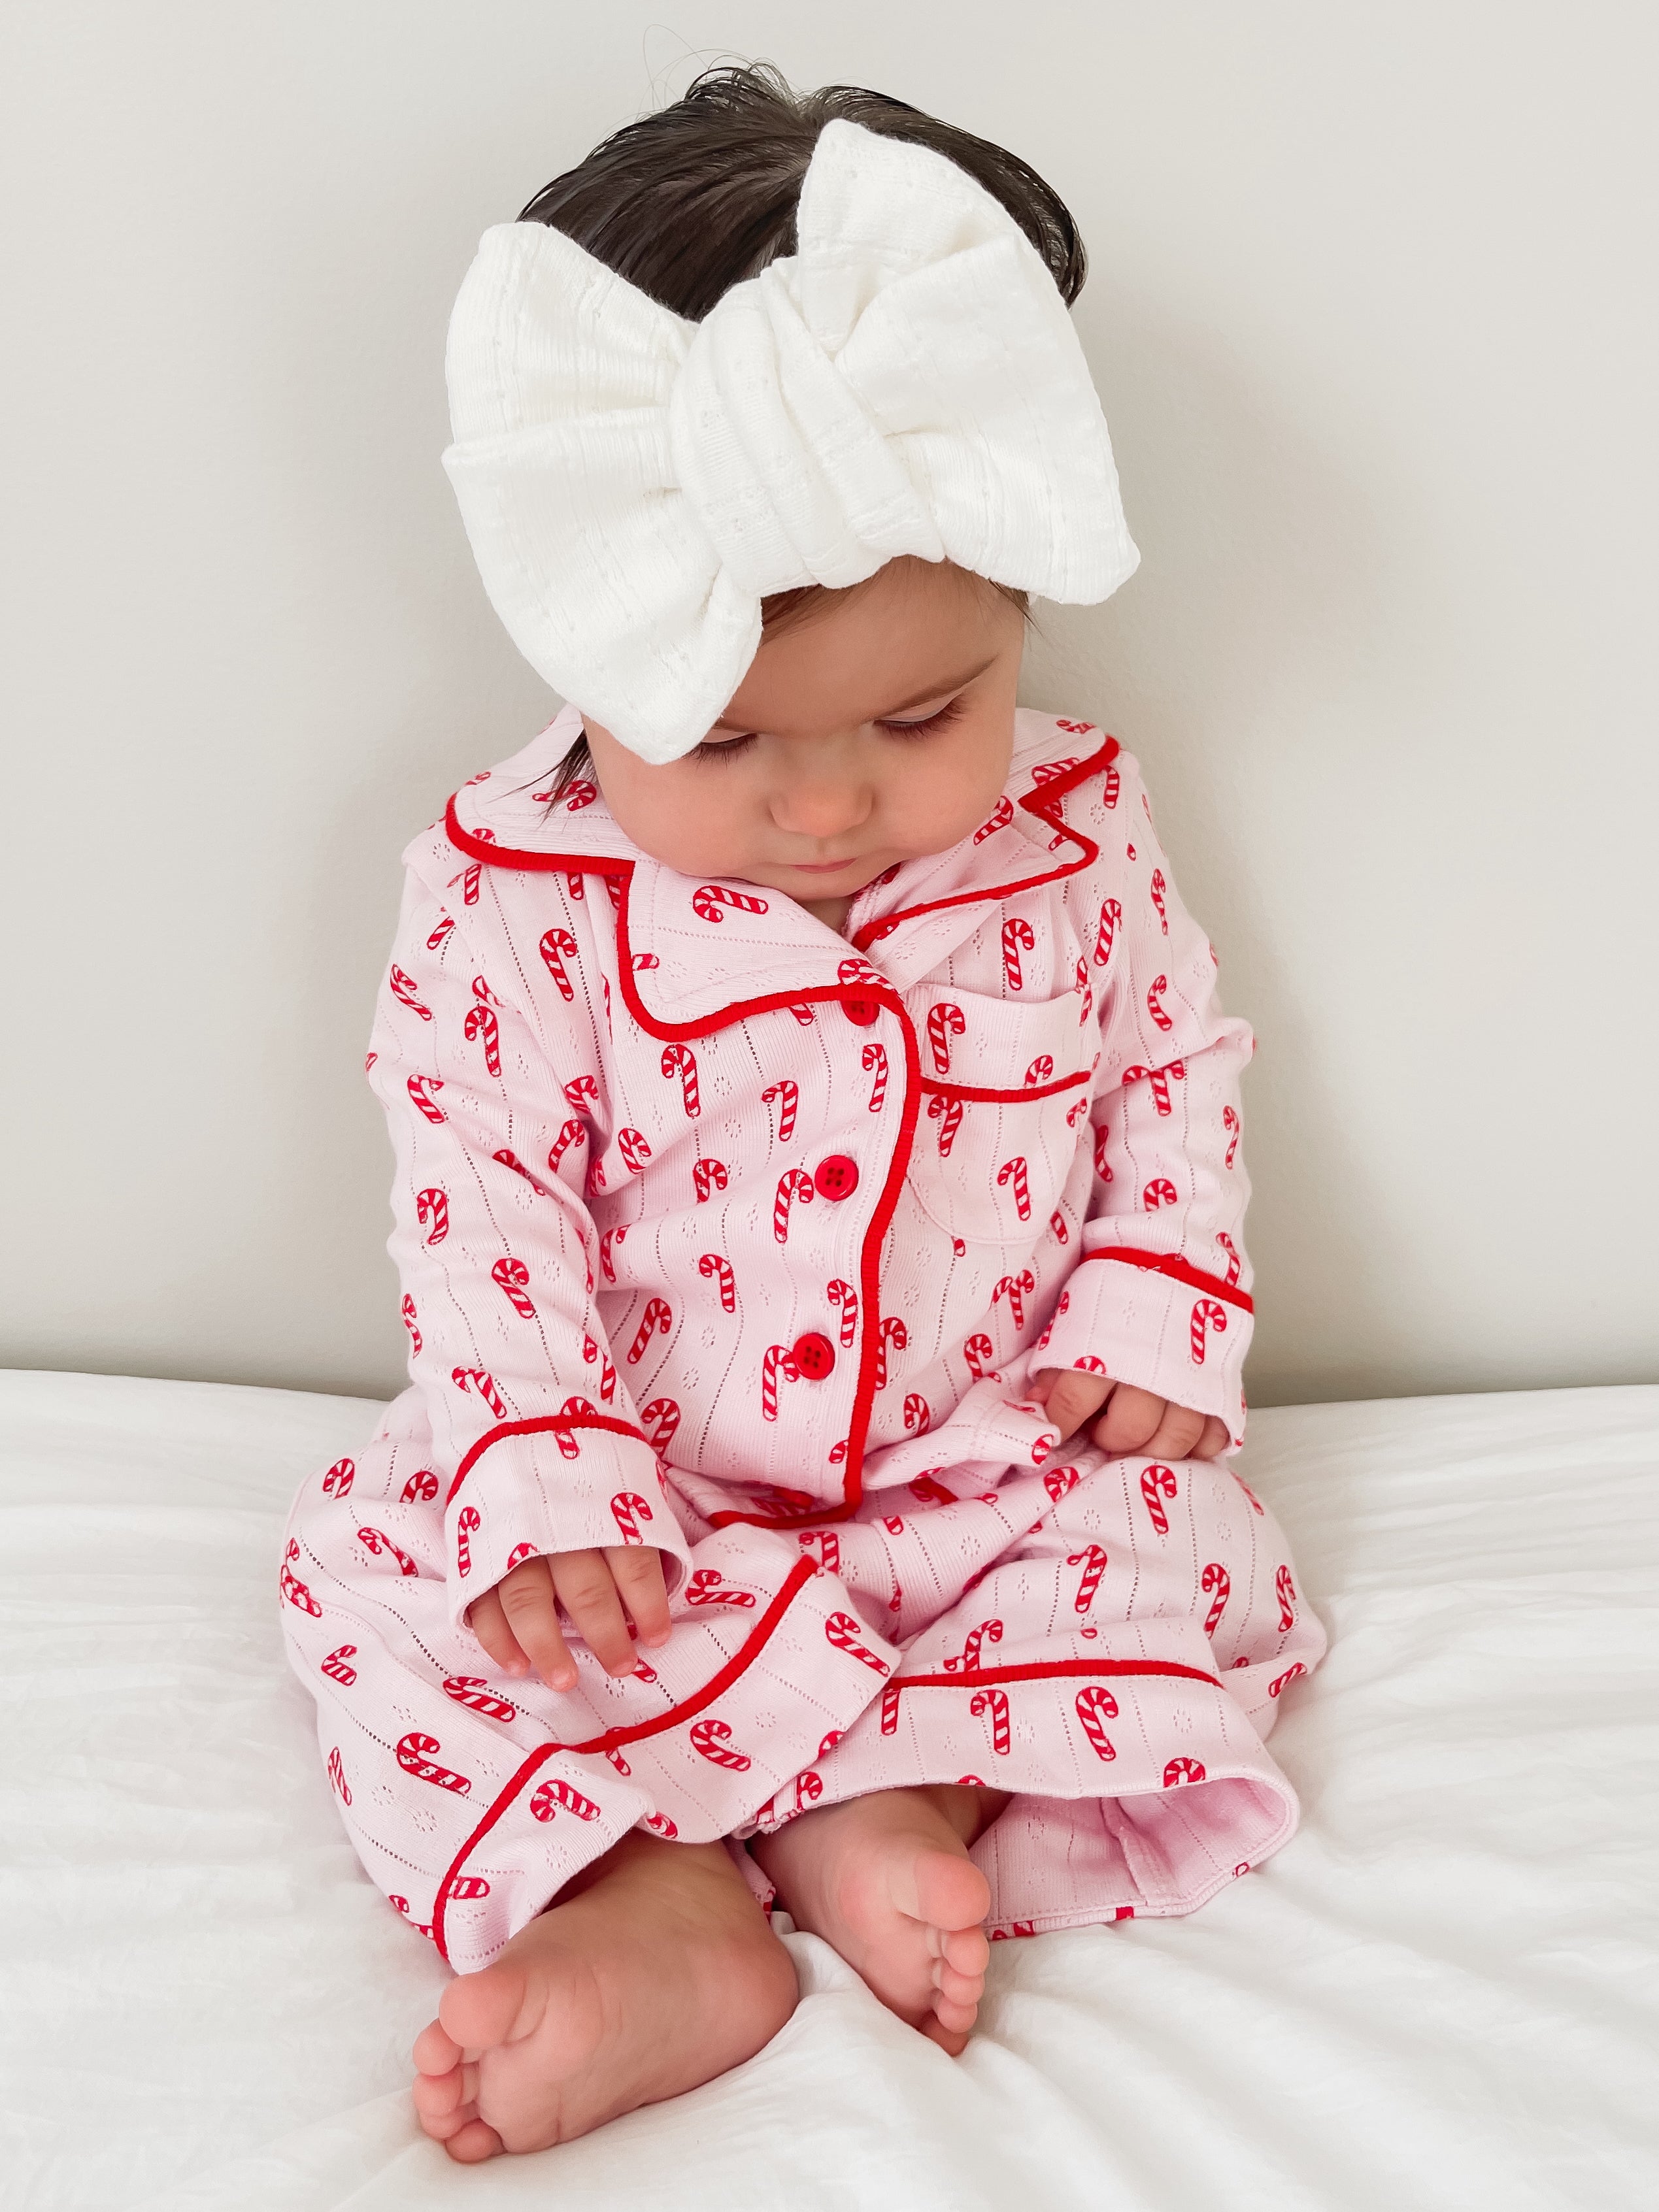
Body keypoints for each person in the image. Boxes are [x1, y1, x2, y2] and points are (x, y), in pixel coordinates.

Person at [278, 63, 1326, 2163]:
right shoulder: (515, 897)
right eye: (731, 738)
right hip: (644, 1515)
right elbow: (475, 1183)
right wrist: (547, 1464)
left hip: (977, 1470)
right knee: (383, 1578)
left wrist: (1151, 1291)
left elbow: (1171, 1058)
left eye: (921, 715)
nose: (833, 806)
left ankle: (894, 1801)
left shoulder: (1079, 836)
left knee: (1164, 1550)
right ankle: (659, 1898)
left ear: (1017, 617)